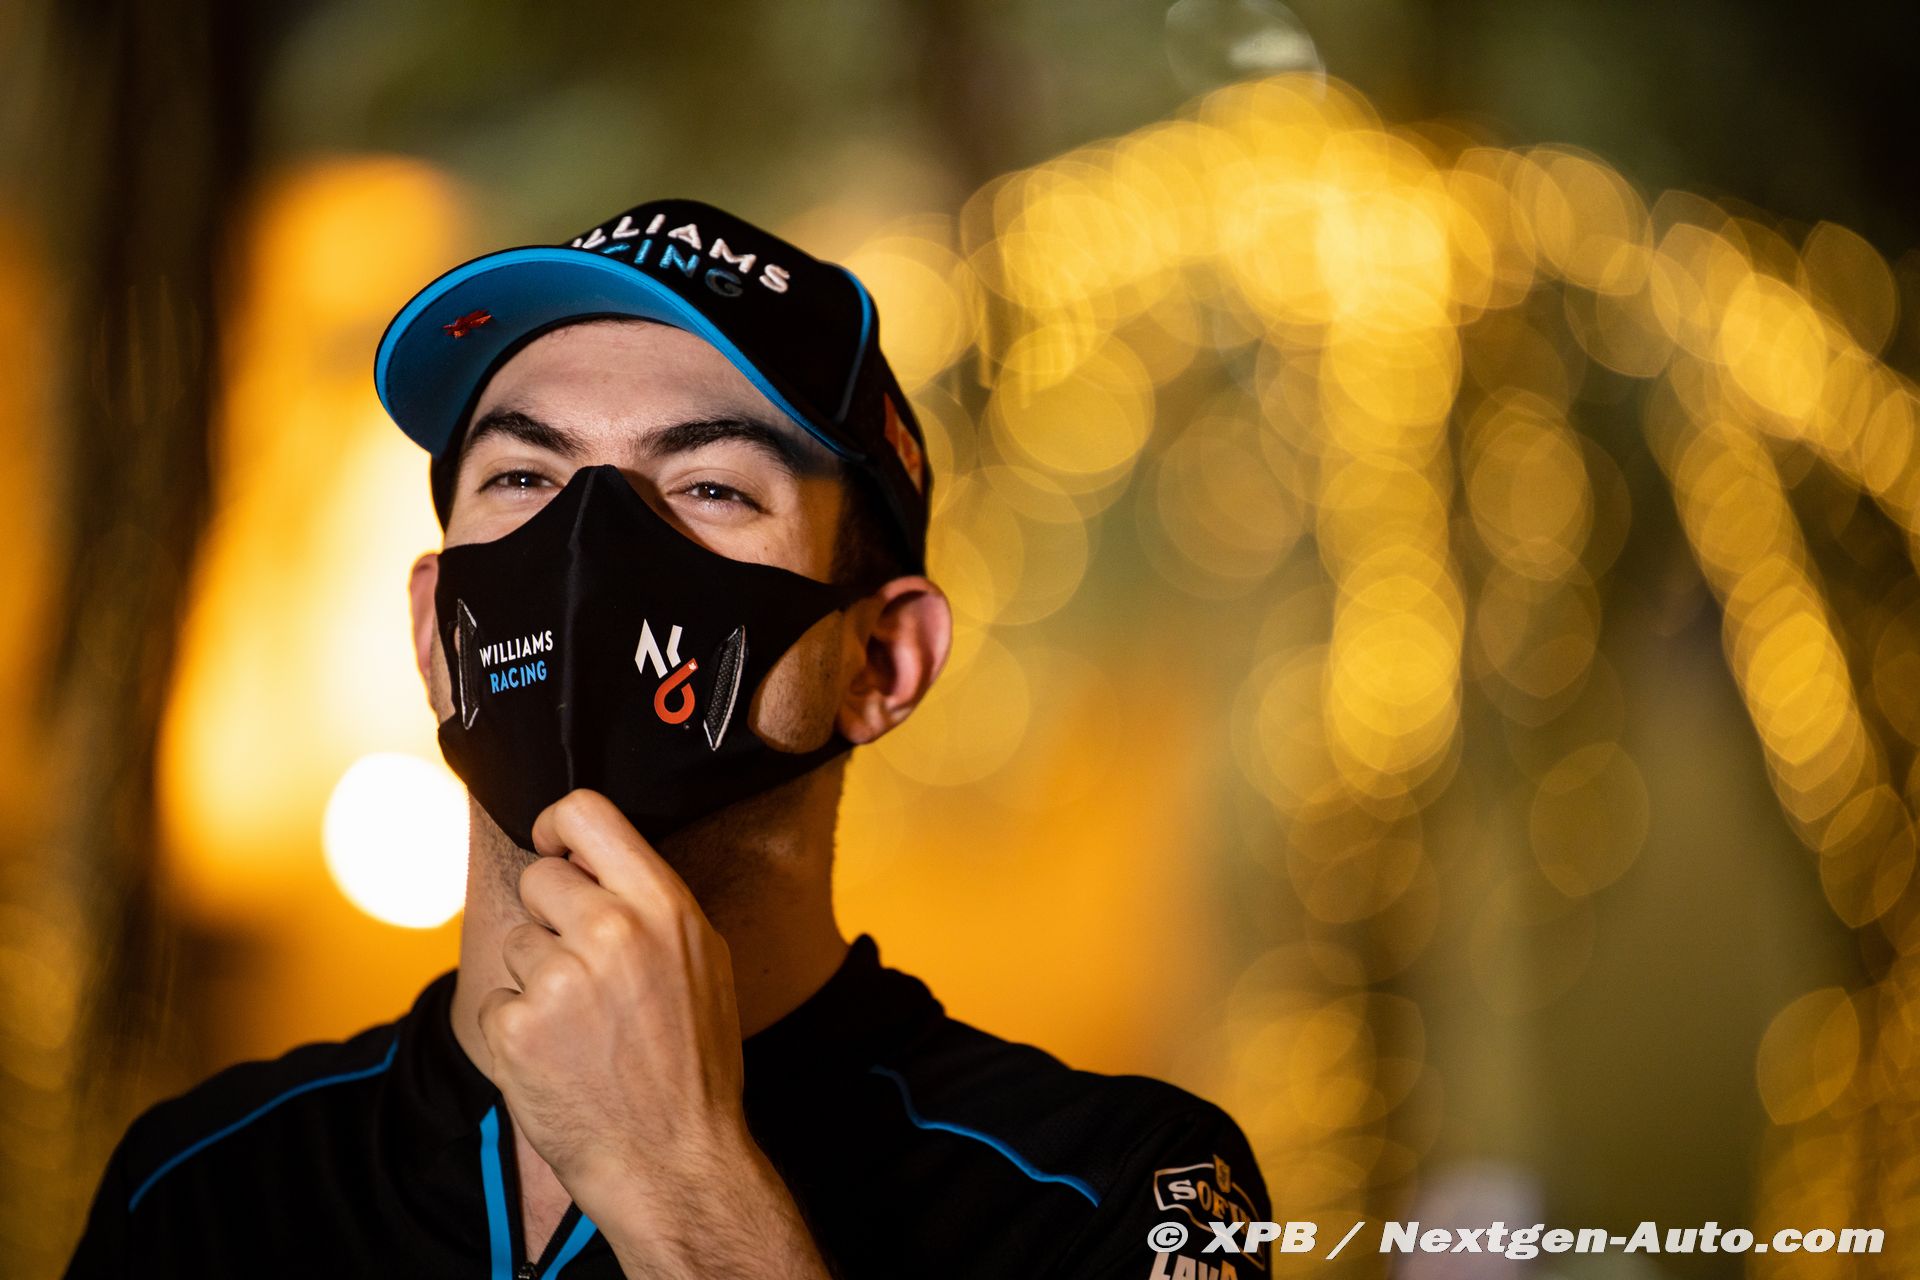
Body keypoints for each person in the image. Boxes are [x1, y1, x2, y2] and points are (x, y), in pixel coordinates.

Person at [65, 198, 1271, 1279]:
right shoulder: (200, 1188)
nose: (587, 549)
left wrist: (678, 1177)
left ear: (883, 662)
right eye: (524, 478)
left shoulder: (1118, 1192)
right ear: (434, 630)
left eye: (712, 488)